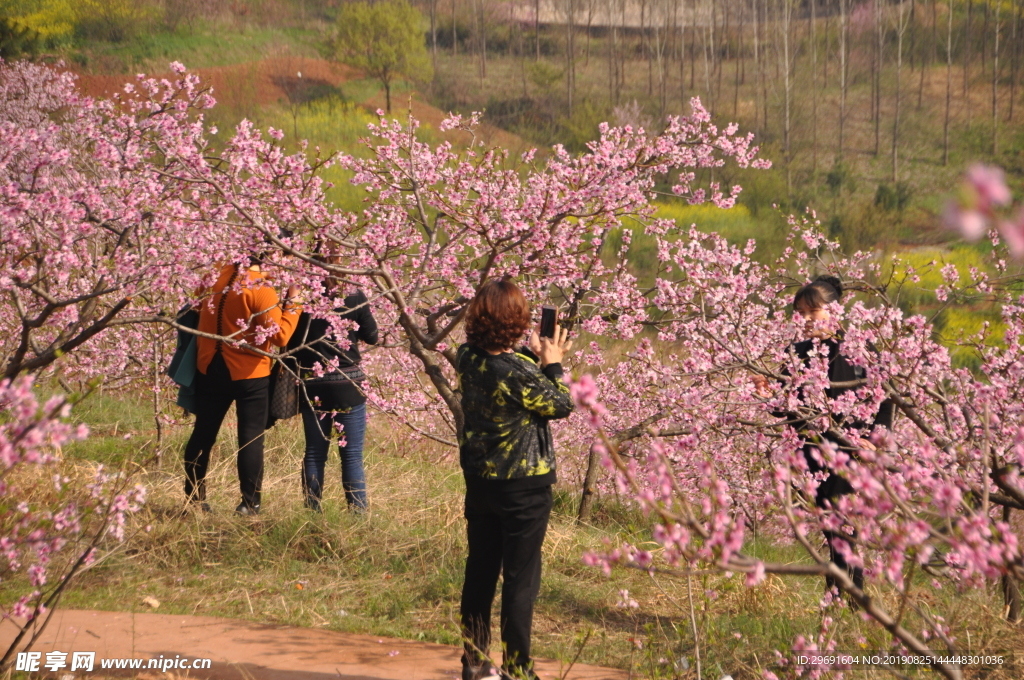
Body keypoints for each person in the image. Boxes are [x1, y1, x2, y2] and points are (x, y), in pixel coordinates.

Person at [455, 280, 574, 680]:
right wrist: (553, 362)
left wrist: (534, 356)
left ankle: (473, 662)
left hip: (481, 485)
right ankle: (518, 671)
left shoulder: (467, 357)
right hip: (524, 488)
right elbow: (560, 404)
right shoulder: (520, 374)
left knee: (480, 572)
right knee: (520, 581)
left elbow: (505, 366)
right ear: (518, 321)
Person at [755, 275, 893, 594]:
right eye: (799, 313)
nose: (803, 320)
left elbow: (885, 400)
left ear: (833, 310)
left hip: (853, 449)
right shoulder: (795, 351)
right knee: (831, 527)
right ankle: (838, 600)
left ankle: (849, 598)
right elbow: (786, 408)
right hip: (813, 450)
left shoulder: (860, 349)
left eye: (810, 312)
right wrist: (769, 395)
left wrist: (875, 439)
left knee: (844, 524)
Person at [183, 258, 302, 515]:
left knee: (203, 434)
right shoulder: (260, 289)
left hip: (209, 365)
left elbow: (194, 307)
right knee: (250, 439)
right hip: (249, 372)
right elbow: (280, 336)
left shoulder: (214, 273)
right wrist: (293, 303)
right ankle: (250, 503)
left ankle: (194, 498)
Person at [286, 286, 378, 513]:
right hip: (348, 383)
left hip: (312, 382)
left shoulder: (299, 294)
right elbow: (372, 336)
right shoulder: (354, 294)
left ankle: (312, 511)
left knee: (315, 452)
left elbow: (288, 342)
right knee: (352, 456)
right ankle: (358, 513)